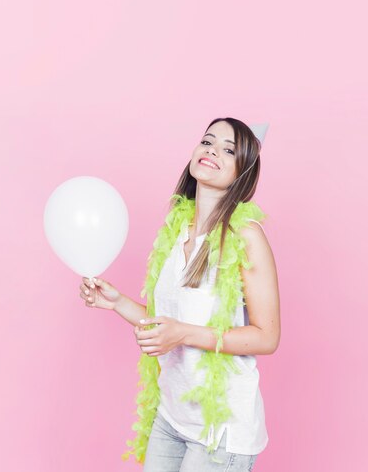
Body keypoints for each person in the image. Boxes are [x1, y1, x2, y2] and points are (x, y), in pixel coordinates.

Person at [78, 117, 280, 471]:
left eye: (228, 150)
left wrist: (183, 334)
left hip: (222, 429)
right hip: (172, 417)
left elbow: (267, 337)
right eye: (207, 141)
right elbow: (166, 324)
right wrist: (117, 303)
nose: (212, 151)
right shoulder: (176, 231)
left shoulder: (246, 236)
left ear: (242, 171)